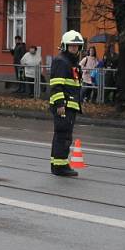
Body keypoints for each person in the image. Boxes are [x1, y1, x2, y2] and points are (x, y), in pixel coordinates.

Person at [48, 30, 85, 177]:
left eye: (76, 46)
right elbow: (56, 85)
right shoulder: (61, 61)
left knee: (64, 135)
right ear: (65, 46)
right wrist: (60, 105)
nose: (74, 48)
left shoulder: (71, 63)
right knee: (62, 135)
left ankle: (60, 163)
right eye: (71, 46)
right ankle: (59, 166)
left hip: (70, 105)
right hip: (63, 106)